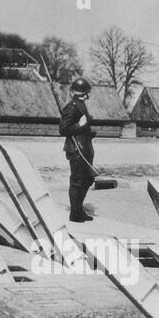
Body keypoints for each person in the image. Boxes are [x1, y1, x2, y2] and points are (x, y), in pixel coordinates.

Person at [59, 76, 95, 223]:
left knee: (88, 179)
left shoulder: (80, 104)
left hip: (84, 148)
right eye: (86, 92)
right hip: (76, 150)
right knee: (78, 181)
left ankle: (79, 209)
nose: (88, 95)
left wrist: (87, 132)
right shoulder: (72, 106)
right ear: (81, 93)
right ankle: (75, 213)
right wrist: (80, 125)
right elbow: (63, 129)